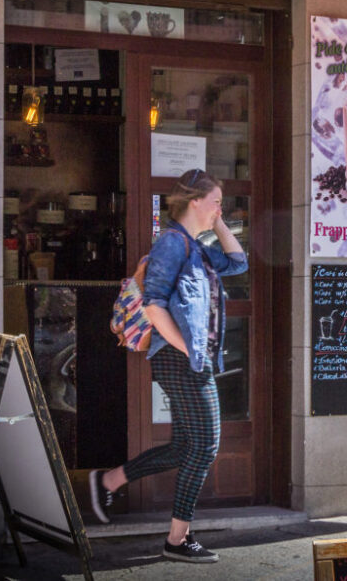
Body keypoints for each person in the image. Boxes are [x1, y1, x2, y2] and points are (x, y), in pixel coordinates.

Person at [89, 169, 247, 563]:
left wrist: (218, 219)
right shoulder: (171, 245)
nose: (219, 208)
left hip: (189, 359)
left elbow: (237, 262)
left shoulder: (196, 245)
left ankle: (109, 480)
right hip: (181, 360)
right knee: (206, 445)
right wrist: (191, 351)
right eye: (215, 201)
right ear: (194, 201)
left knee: (186, 446)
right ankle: (177, 539)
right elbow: (153, 305)